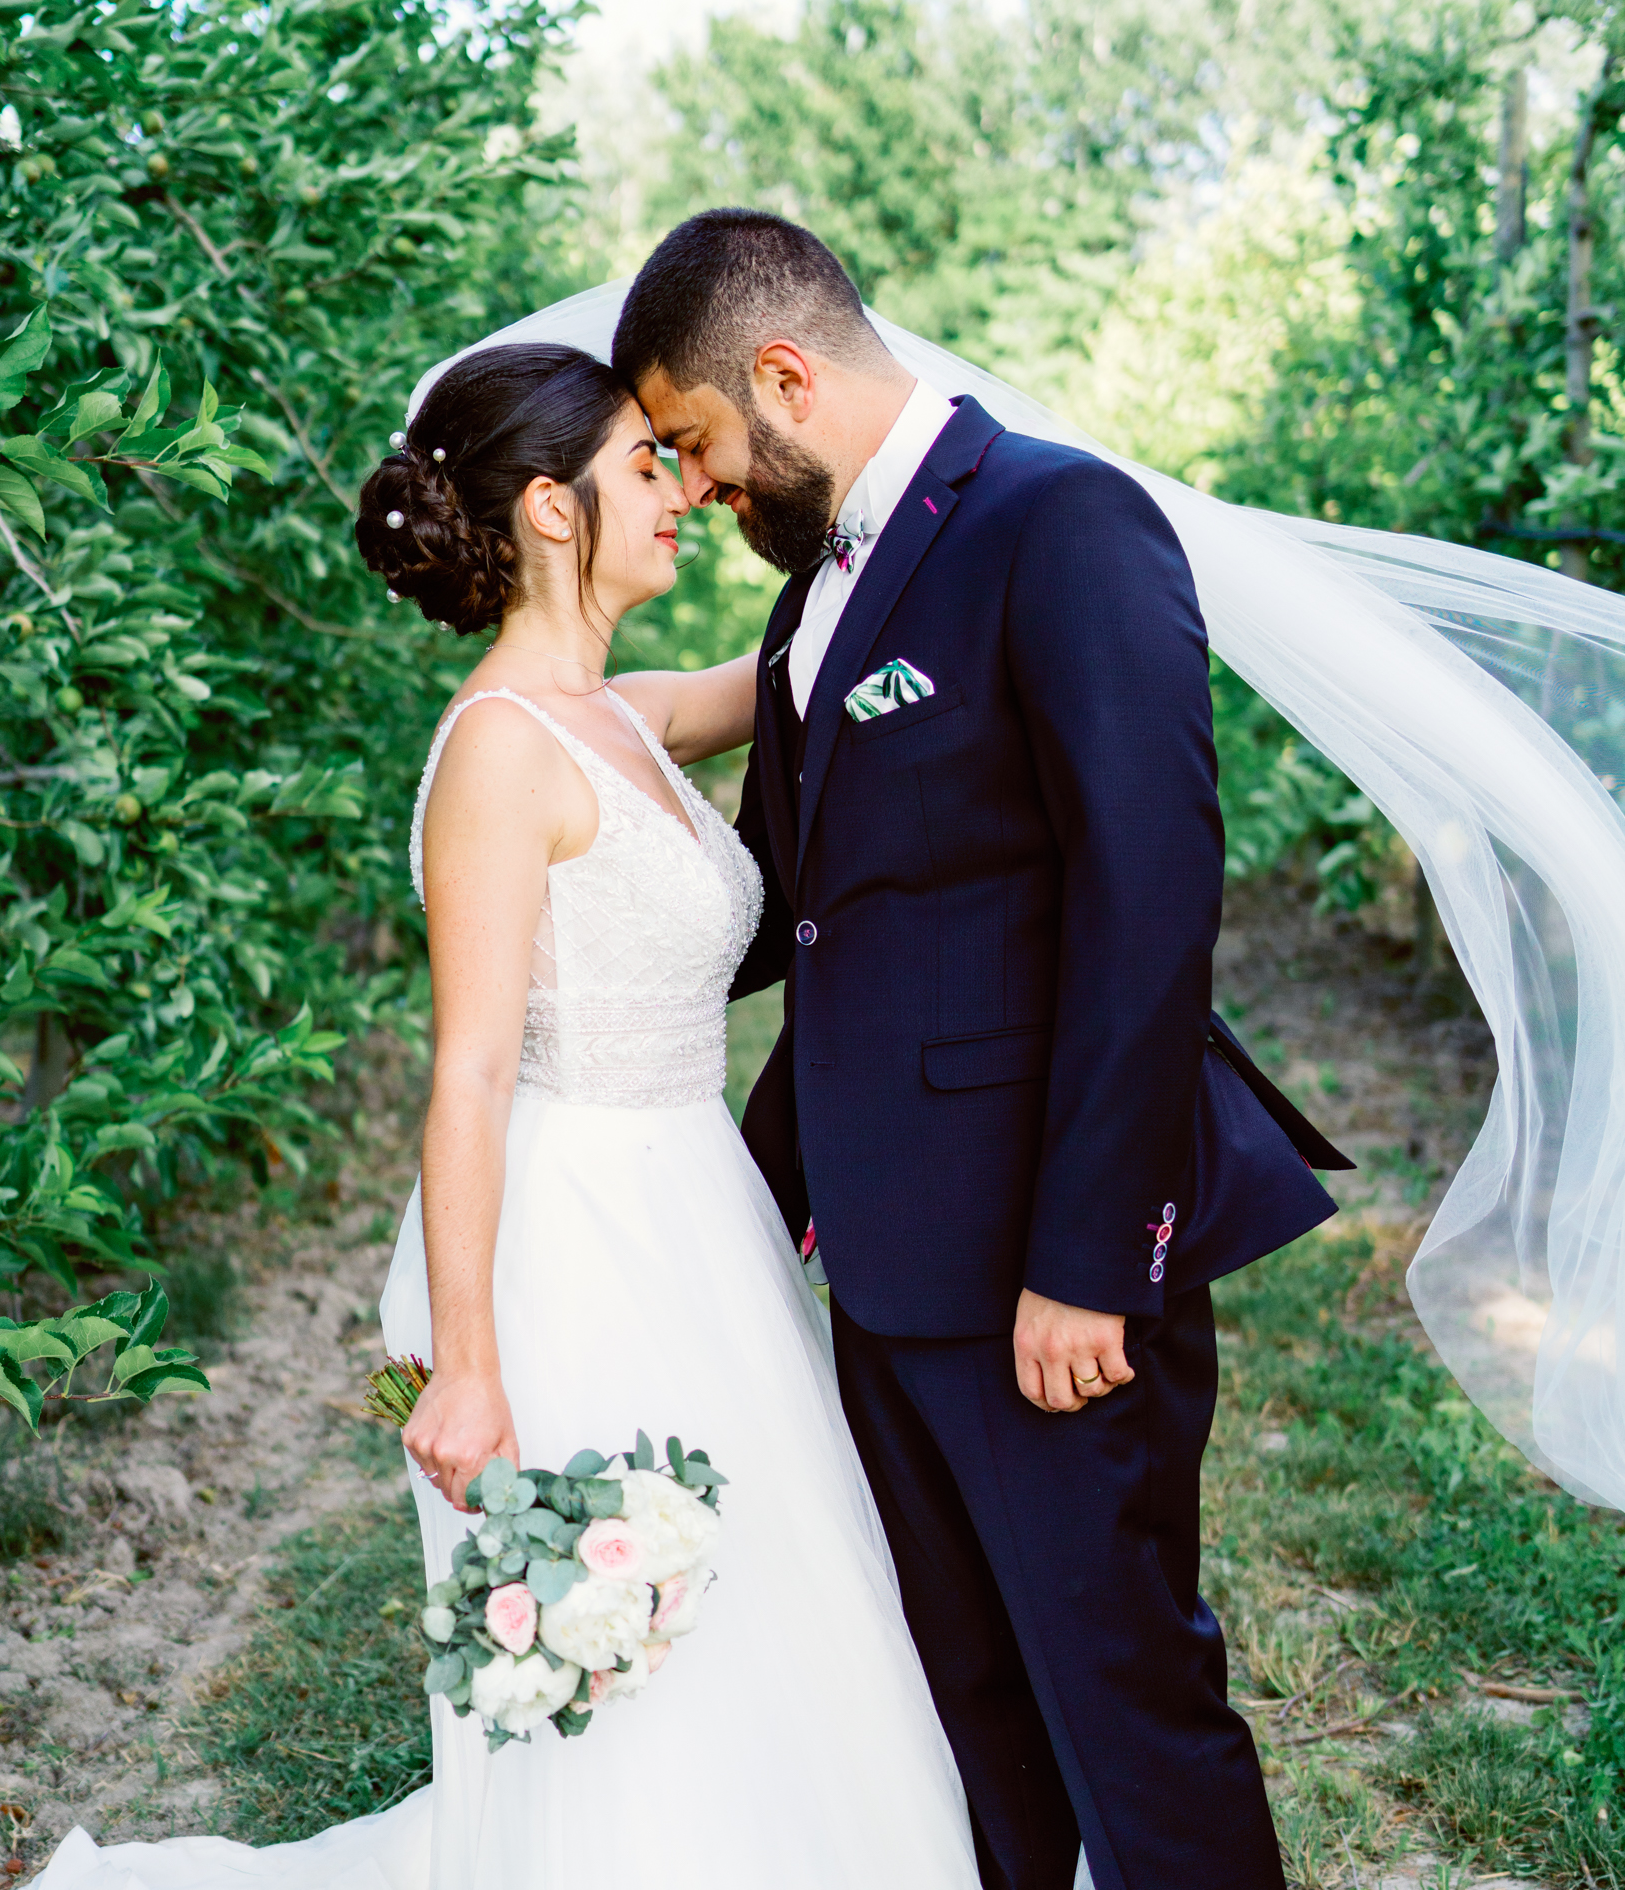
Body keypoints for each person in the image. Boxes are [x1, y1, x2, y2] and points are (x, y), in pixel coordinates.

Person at [33, 341, 984, 1890]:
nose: (682, 491)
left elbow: (817, 663)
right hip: (575, 1237)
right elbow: (466, 1071)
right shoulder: (496, 751)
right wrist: (467, 1364)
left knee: (769, 1600)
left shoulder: (621, 716)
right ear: (551, 509)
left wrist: (916, 512)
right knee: (636, 1644)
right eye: (643, 466)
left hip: (696, 1211)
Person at [605, 209, 1353, 1890]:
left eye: (704, 448)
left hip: (1047, 1273)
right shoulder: (821, 594)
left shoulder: (1058, 522)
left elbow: (1147, 896)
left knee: (1124, 1696)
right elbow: (798, 913)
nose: (705, 492)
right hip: (880, 1261)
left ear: (783, 376)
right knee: (969, 1706)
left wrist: (1089, 1262)